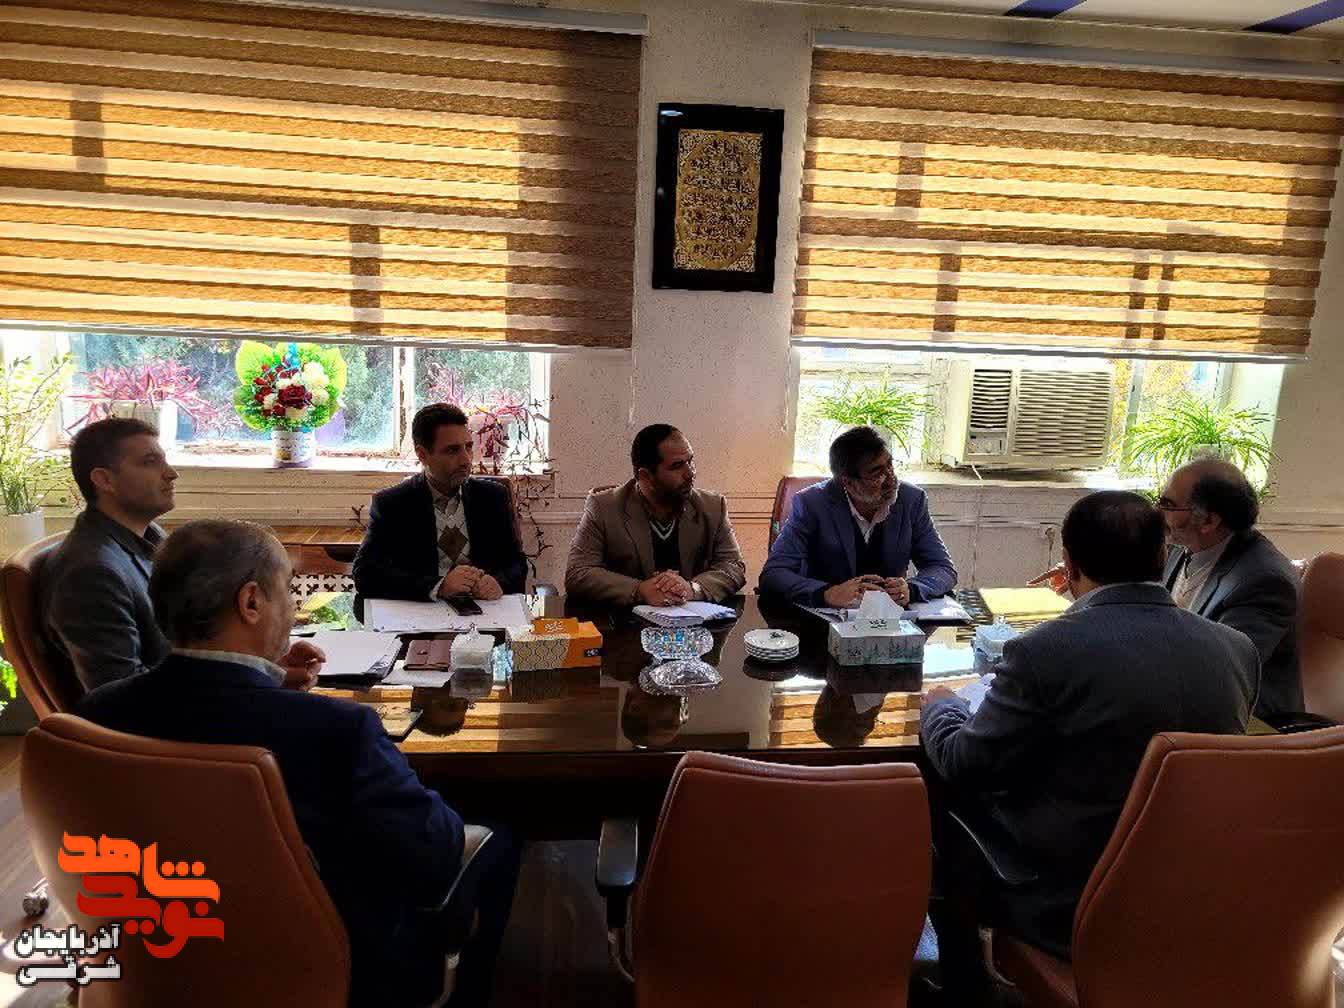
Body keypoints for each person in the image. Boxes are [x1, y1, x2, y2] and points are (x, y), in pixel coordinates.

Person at [76, 520, 519, 1007]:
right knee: (497, 837)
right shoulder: (338, 731)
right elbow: (435, 854)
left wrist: (268, 682)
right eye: (286, 589)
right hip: (328, 968)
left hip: (160, 959)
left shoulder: (97, 716)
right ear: (251, 602)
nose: (291, 607)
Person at [919, 491, 1257, 1002]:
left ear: (1069, 564)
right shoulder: (1237, 650)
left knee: (942, 800)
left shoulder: (1043, 650)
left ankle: (966, 990)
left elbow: (966, 763)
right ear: (1163, 556)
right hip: (1192, 898)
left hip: (1067, 904)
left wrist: (941, 708)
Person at [1159, 457, 1300, 720]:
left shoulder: (1264, 580)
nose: (1157, 512)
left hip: (1246, 721)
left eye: (1168, 505)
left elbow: (1223, 671)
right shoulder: (1178, 547)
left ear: (1208, 521)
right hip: (1181, 696)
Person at [41, 418, 175, 690]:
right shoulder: (90, 573)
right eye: (150, 462)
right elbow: (120, 694)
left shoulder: (150, 536)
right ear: (105, 480)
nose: (171, 473)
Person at [759, 426, 956, 607]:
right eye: (877, 474)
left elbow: (942, 568)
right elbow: (774, 573)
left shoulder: (911, 499)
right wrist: (827, 593)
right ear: (848, 482)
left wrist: (912, 589)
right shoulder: (811, 504)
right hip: (825, 621)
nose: (891, 479)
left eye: (890, 465)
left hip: (890, 620)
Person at [353, 403, 526, 607]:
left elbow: (517, 564)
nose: (466, 460)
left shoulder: (492, 497)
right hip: (422, 615)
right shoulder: (392, 503)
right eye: (452, 450)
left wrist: (498, 582)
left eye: (468, 447)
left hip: (485, 613)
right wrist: (439, 586)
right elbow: (365, 574)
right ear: (422, 455)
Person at [564, 424, 746, 606]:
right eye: (677, 466)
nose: (690, 473)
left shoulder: (712, 506)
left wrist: (693, 588)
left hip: (693, 618)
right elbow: (578, 573)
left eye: (690, 461)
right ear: (645, 476)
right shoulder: (604, 507)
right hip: (625, 620)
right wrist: (639, 590)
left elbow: (733, 566)